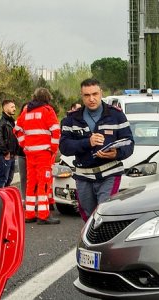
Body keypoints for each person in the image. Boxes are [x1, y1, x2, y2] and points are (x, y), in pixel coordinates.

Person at [60, 78, 134, 219]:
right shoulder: (71, 119)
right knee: (88, 216)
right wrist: (88, 142)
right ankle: (90, 240)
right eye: (87, 95)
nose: (91, 99)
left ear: (101, 93)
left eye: (95, 94)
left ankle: (107, 241)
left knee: (104, 212)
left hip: (110, 173)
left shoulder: (116, 115)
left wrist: (116, 153)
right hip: (83, 175)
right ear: (82, 96)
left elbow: (129, 143)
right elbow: (64, 147)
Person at [15, 88, 62, 224]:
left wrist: (24, 145)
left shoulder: (26, 111)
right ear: (47, 98)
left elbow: (17, 129)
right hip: (43, 153)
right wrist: (53, 149)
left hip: (30, 153)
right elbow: (55, 131)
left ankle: (29, 214)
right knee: (44, 183)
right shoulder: (47, 110)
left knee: (31, 183)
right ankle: (43, 215)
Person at [0, 99, 21, 189]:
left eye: (14, 107)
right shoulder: (0, 122)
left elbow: (14, 138)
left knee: (9, 179)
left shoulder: (12, 121)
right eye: (12, 107)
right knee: (3, 179)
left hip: (11, 154)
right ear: (5, 108)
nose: (14, 109)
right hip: (4, 155)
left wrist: (16, 151)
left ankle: (5, 199)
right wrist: (6, 153)